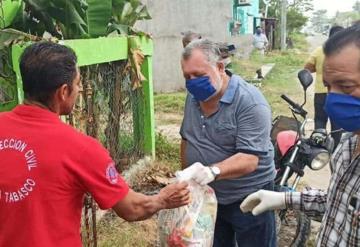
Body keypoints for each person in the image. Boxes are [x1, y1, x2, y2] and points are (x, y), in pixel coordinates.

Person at [0, 42, 190, 247]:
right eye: (78, 82)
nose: (80, 88)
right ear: (63, 92)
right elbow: (132, 208)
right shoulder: (80, 148)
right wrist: (162, 199)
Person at [241, 24, 360, 247]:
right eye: (327, 85)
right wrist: (284, 198)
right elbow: (338, 202)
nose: (332, 98)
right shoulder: (347, 146)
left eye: (346, 86)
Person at [179, 39, 276, 247]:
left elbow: (250, 159)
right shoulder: (193, 97)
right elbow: (187, 138)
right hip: (209, 197)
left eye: (199, 75)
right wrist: (186, 179)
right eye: (187, 76)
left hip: (249, 196)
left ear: (220, 67)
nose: (192, 81)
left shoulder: (250, 102)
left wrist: (213, 171)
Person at [304, 25, 344, 149]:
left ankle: (319, 149)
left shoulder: (319, 50)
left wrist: (319, 68)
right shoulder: (347, 52)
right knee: (337, 124)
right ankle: (336, 149)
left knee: (320, 120)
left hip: (321, 93)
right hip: (340, 94)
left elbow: (307, 68)